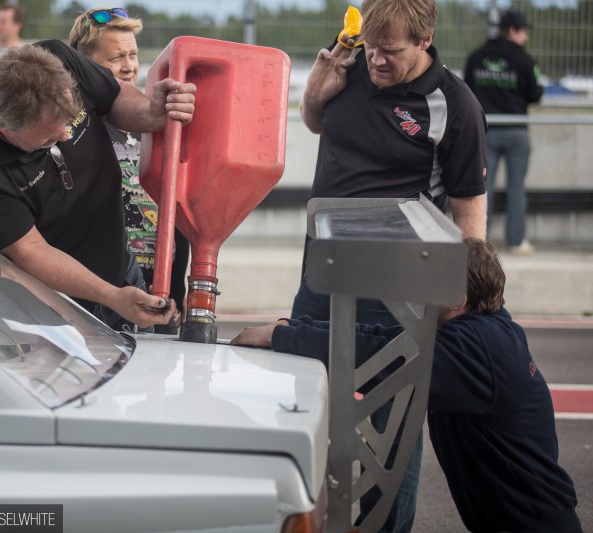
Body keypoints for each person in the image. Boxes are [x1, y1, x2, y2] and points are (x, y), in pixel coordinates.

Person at [232, 238, 582, 533]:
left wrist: (282, 336)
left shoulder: (473, 350)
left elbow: (375, 357)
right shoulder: (486, 329)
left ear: (458, 298)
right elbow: (383, 337)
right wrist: (290, 327)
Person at [295, 0, 489, 530]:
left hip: (398, 286)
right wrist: (319, 87)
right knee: (303, 400)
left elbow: (471, 211)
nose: (376, 61)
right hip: (323, 268)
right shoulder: (352, 60)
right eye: (372, 48)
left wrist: (464, 291)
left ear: (425, 41)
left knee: (392, 428)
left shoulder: (455, 106)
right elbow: (315, 121)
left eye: (392, 52)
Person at [0, 43, 195, 332]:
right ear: (6, 130)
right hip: (57, 311)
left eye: (69, 121)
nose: (65, 135)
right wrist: (112, 297)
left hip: (121, 267)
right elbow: (31, 251)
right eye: (50, 136)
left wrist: (150, 112)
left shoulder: (55, 58)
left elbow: (112, 98)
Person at [68, 7, 190, 333]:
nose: (129, 66)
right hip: (105, 292)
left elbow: (177, 203)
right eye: (116, 57)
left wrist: (176, 289)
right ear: (84, 63)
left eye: (133, 54)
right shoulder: (72, 126)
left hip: (161, 285)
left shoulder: (149, 115)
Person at [465, 11, 544, 255]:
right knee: (516, 187)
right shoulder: (525, 59)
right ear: (512, 31)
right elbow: (537, 93)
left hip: (485, 130)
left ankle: (479, 243)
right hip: (516, 131)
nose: (526, 36)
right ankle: (517, 241)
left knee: (480, 187)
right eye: (523, 31)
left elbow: (465, 90)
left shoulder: (477, 56)